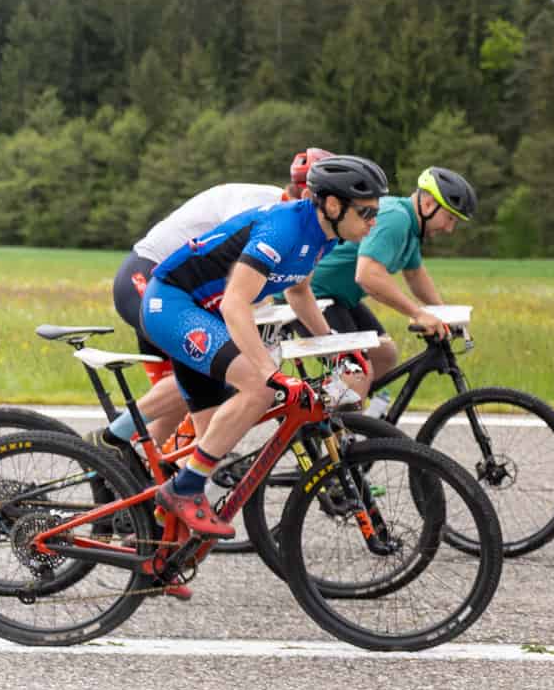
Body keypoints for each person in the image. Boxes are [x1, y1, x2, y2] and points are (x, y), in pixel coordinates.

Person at [136, 156, 391, 539]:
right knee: (257, 388)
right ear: (334, 205)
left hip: (201, 313)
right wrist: (269, 373)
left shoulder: (321, 234)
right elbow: (235, 303)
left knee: (214, 432)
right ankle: (181, 489)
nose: (374, 222)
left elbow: (299, 291)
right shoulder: (284, 228)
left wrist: (335, 347)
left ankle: (156, 542)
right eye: (367, 212)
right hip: (172, 304)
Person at [104, 148, 332, 454]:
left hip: (188, 294)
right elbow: (227, 272)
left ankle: (130, 470)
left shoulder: (305, 230)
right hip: (152, 276)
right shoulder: (266, 208)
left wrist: (330, 345)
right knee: (221, 364)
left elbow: (297, 289)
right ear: (311, 196)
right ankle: (111, 436)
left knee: (187, 398)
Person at [313, 166, 471, 380]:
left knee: (384, 355)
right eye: (449, 218)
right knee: (356, 375)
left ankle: (360, 411)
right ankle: (334, 412)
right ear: (428, 204)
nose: (449, 229)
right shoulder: (396, 218)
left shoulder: (412, 228)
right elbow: (367, 274)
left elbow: (416, 276)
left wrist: (444, 315)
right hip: (315, 296)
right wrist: (418, 314)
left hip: (340, 298)